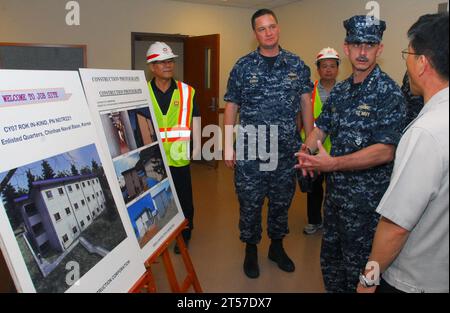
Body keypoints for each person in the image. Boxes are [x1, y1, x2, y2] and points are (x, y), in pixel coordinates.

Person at [296, 15, 406, 292]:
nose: (363, 51)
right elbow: (321, 128)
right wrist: (306, 149)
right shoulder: (341, 91)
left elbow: (386, 150)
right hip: (335, 204)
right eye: (356, 44)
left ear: (379, 49)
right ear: (346, 48)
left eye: (370, 45)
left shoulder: (388, 93)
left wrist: (333, 164)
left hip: (366, 210)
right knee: (332, 268)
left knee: (362, 276)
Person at [357, 13, 449, 294]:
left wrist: (368, 280)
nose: (406, 62)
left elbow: (396, 226)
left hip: (413, 280)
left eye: (408, 53)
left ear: (422, 63)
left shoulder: (426, 132)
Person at [224, 8, 314, 279]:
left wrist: (310, 143)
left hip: (286, 149)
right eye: (261, 28)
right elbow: (231, 106)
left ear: (278, 28)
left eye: (271, 26)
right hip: (251, 150)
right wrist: (228, 145)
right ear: (255, 34)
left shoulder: (297, 65)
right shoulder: (243, 66)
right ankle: (251, 250)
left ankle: (276, 247)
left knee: (281, 202)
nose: (268, 32)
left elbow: (305, 103)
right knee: (250, 202)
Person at [146, 41, 200, 254]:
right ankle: (162, 233)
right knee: (158, 199)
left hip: (179, 156)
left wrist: (197, 147)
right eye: (162, 62)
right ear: (152, 67)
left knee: (183, 197)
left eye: (170, 61)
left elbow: (195, 118)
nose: (168, 65)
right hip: (152, 158)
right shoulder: (142, 91)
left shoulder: (187, 91)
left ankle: (185, 232)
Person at [299, 47, 340, 235]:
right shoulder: (309, 92)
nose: (329, 70)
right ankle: (314, 221)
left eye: (332, 66)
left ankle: (332, 222)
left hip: (337, 151)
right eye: (325, 66)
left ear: (338, 69)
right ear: (318, 69)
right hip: (313, 148)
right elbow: (300, 116)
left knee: (335, 190)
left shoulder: (344, 91)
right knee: (314, 188)